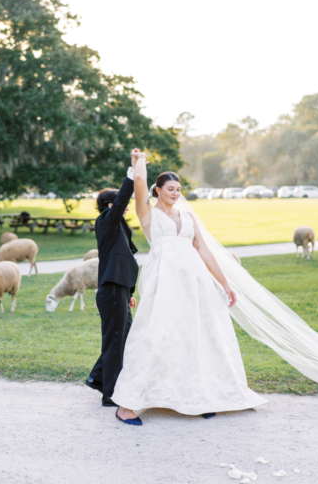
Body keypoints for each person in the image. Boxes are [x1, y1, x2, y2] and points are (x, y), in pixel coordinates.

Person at [112, 151, 265, 425]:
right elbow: (138, 185)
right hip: (164, 282)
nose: (175, 193)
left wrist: (225, 284)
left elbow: (205, 252)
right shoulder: (148, 214)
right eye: (169, 189)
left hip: (194, 284)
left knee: (197, 336)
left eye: (178, 189)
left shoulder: (189, 217)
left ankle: (197, 398)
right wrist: (140, 162)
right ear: (157, 190)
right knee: (155, 336)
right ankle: (127, 405)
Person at [85, 152, 141, 408]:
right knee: (116, 339)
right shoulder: (106, 221)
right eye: (119, 203)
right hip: (110, 291)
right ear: (110, 205)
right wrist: (132, 172)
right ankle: (110, 393)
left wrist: (129, 291)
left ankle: (98, 378)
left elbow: (123, 260)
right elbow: (120, 203)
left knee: (122, 337)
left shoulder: (115, 227)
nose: (125, 205)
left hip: (118, 290)